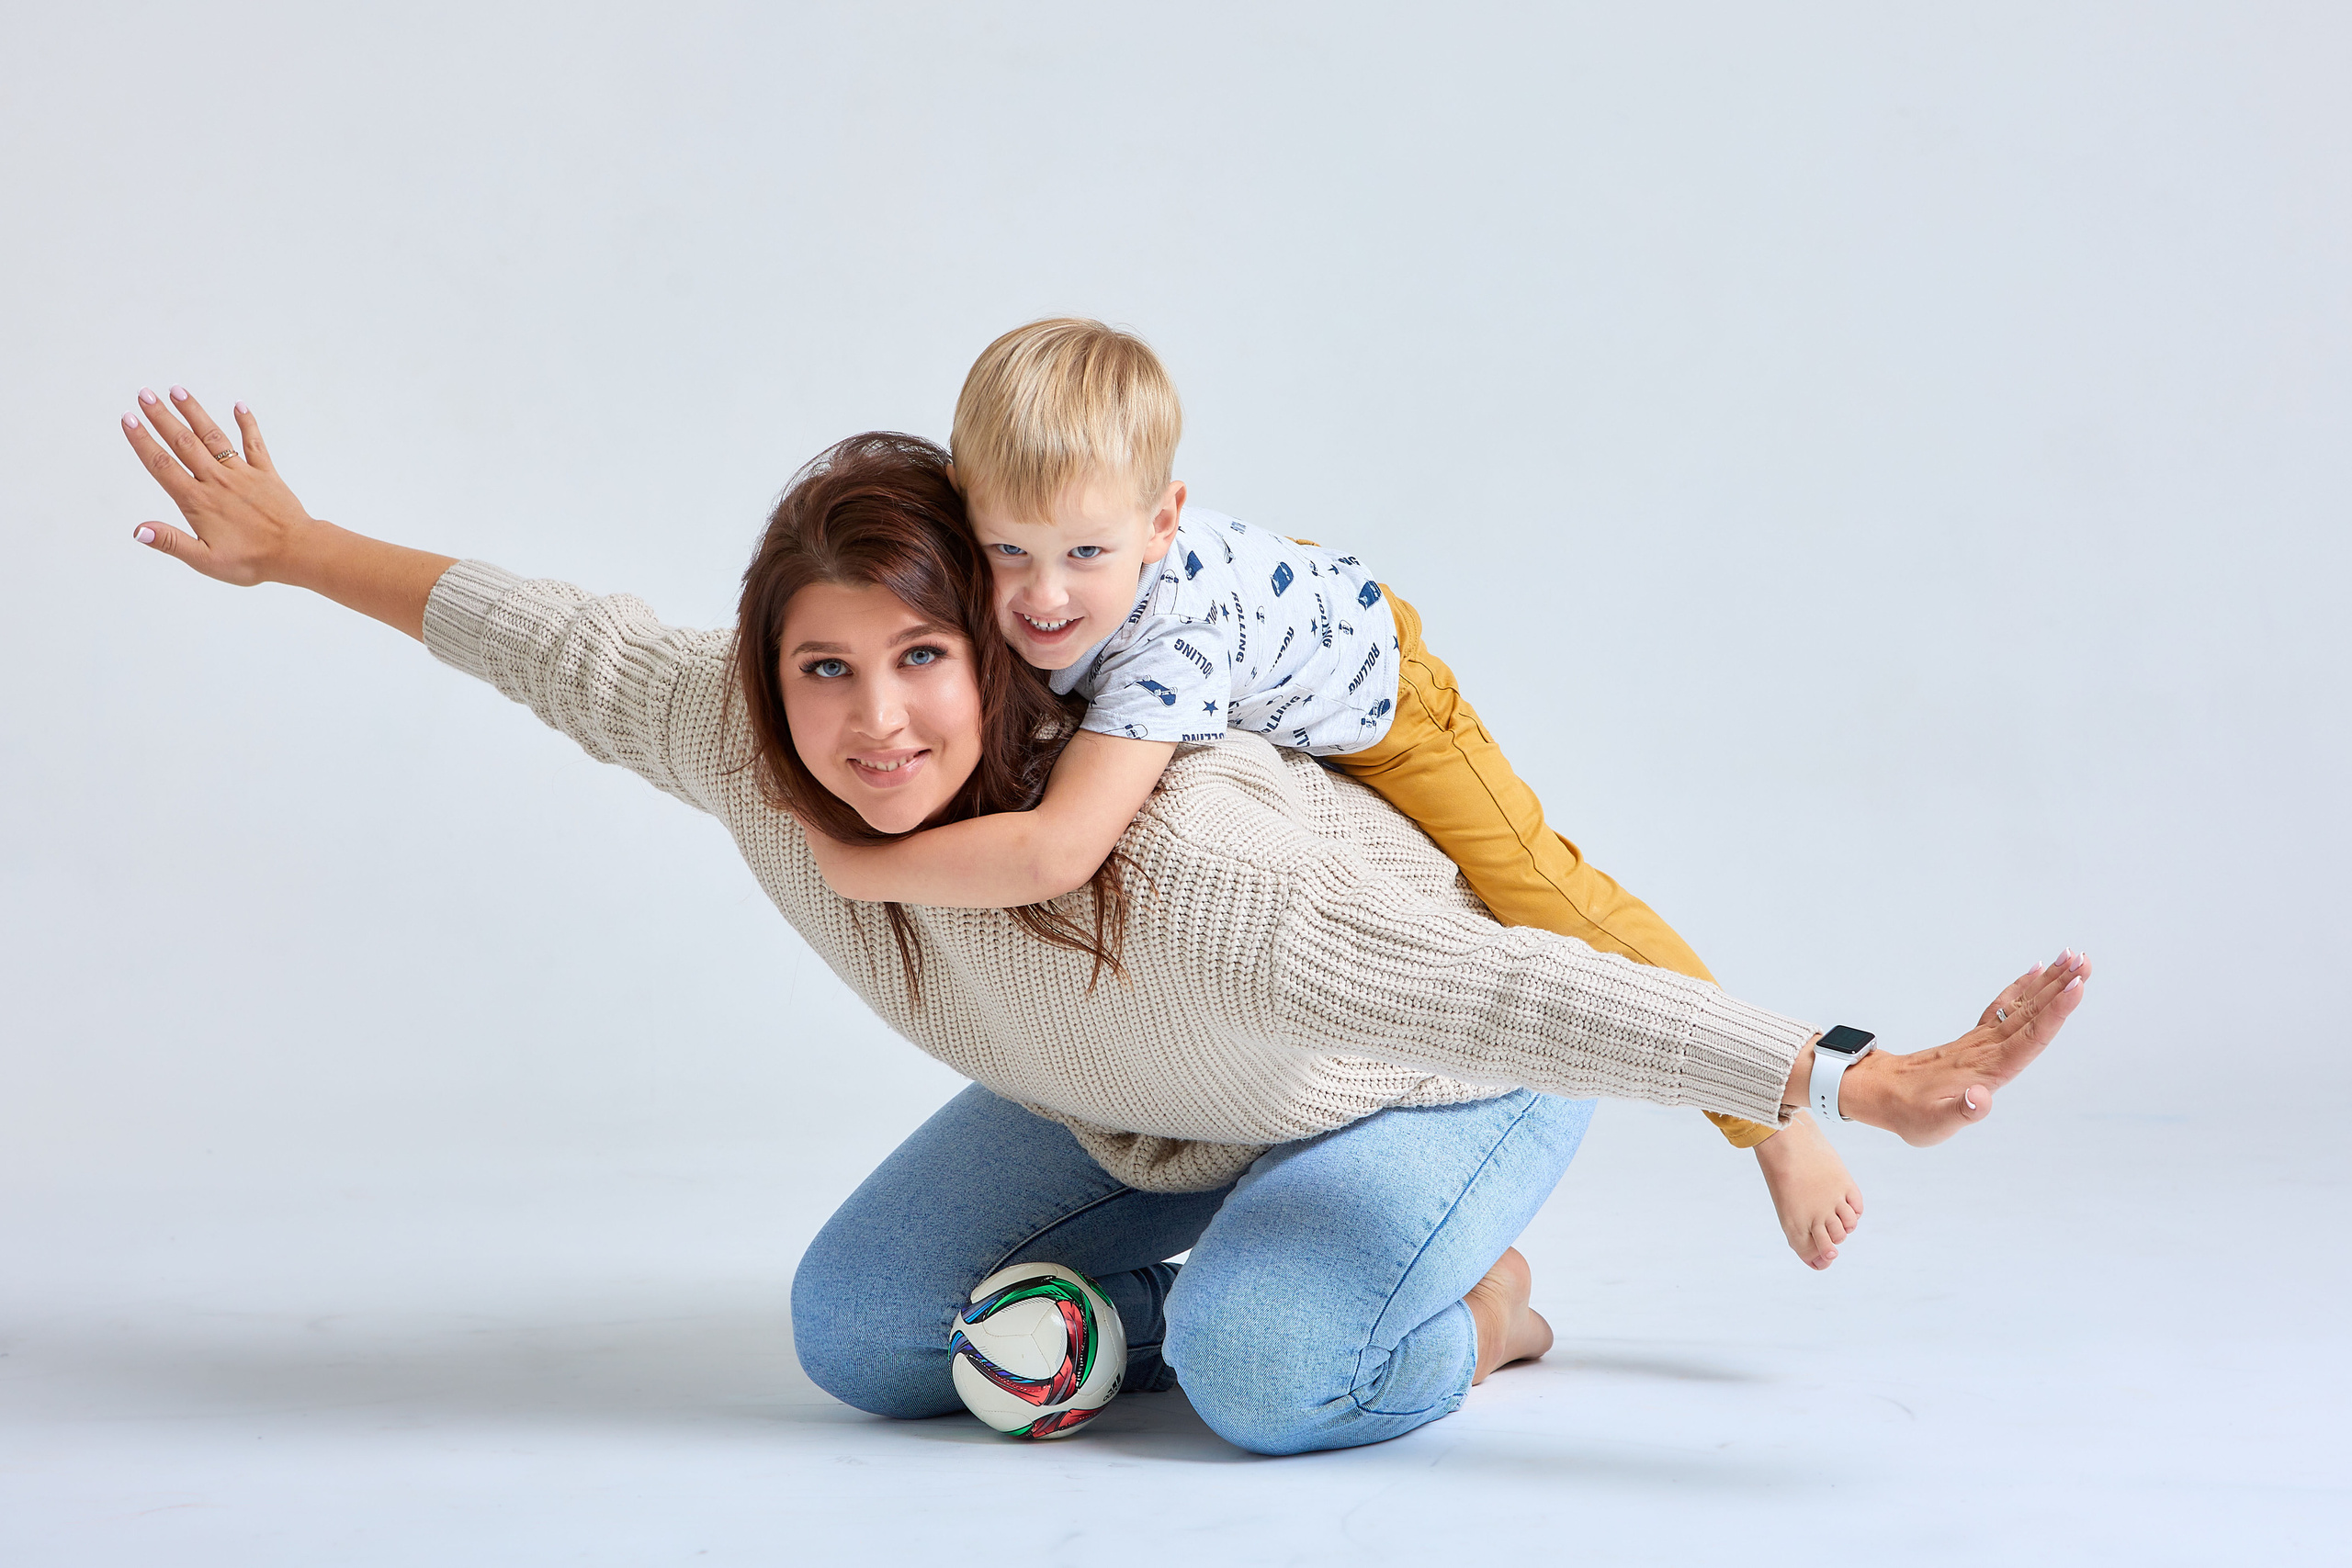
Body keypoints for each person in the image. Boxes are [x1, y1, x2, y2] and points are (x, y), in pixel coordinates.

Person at [119, 386, 2090, 1457]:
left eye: (918, 659)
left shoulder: (1192, 856)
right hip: (1151, 1107)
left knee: (1263, 1371)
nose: (872, 720)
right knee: (865, 1332)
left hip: (1421, 1080)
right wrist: (294, 551)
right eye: (822, 671)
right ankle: (1183, 1271)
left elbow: (1521, 972)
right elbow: (550, 638)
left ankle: (1477, 1309)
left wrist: (1838, 1073)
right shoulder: (750, 742)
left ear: (995, 657)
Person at [804, 320, 1864, 1268]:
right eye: (1007, 552)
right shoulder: (1033, 591)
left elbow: (1058, 851)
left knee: (1546, 893)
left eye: (1087, 553)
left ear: (1163, 520)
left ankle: (1772, 1119)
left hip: (1383, 695)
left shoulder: (1169, 648)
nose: (1042, 595)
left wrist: (864, 865)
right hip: (1277, 621)